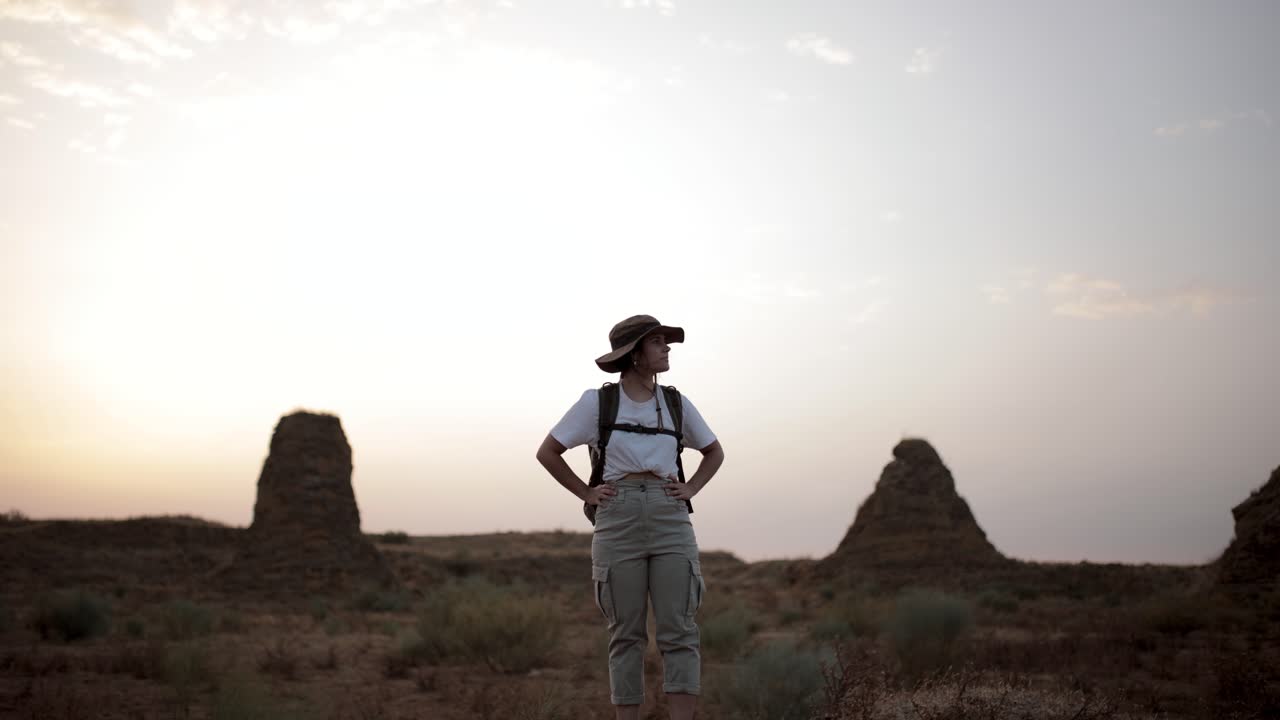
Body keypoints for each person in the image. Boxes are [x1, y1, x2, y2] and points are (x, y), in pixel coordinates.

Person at [536, 314, 725, 720]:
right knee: (626, 635)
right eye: (657, 342)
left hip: (669, 514)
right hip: (617, 517)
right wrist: (586, 492)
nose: (666, 348)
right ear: (635, 354)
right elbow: (547, 452)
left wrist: (690, 488)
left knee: (680, 630)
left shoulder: (676, 403)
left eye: (664, 341)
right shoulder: (597, 403)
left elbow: (714, 452)